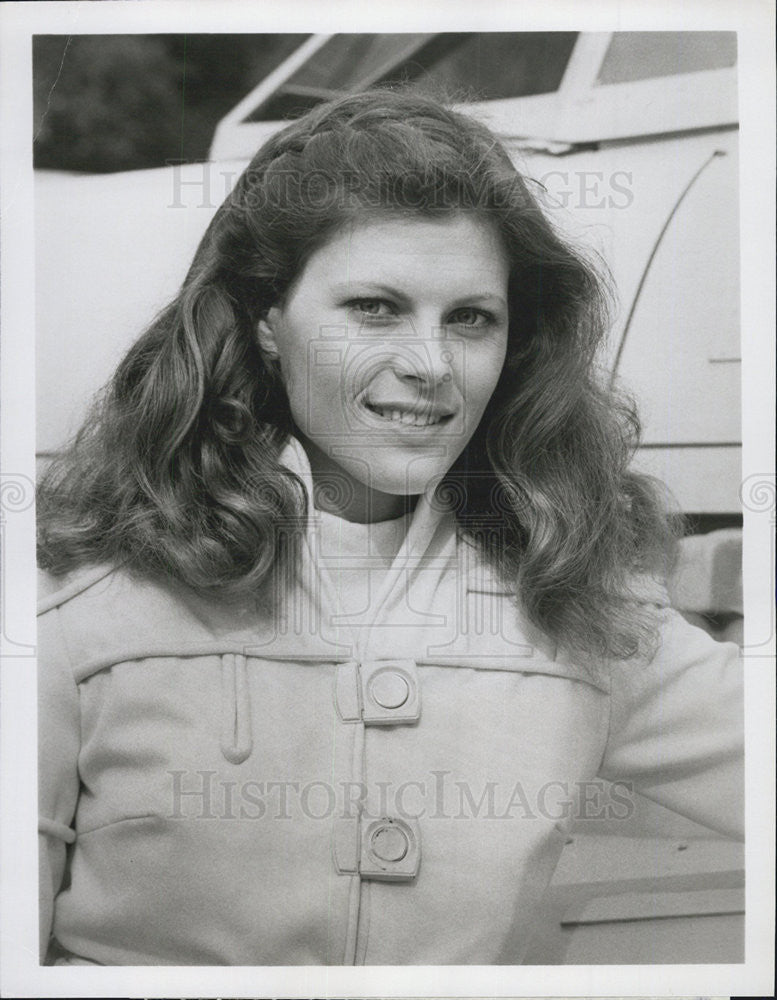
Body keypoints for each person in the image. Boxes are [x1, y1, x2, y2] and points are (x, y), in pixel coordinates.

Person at [36, 89, 743, 966]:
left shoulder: (571, 606)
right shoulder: (72, 602)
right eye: (373, 307)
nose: (428, 365)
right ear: (265, 320)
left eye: (470, 319)